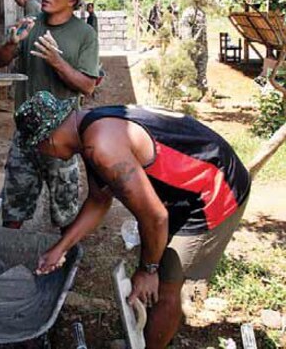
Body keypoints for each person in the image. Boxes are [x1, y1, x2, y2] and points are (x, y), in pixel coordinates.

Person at [14, 91, 251, 349]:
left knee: (167, 282)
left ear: (49, 138)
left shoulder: (102, 147)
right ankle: (152, 335)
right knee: (156, 263)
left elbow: (155, 217)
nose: (45, 154)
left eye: (39, 147)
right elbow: (98, 201)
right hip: (185, 189)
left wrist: (148, 270)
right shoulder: (89, 130)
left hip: (214, 188)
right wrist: (60, 248)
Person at [0, 0, 99, 231]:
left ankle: (65, 255)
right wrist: (11, 44)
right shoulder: (32, 24)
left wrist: (57, 62)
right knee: (13, 207)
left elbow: (87, 86)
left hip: (63, 138)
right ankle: (6, 254)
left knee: (65, 211)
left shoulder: (85, 35)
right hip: (25, 135)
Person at [180, 6, 208, 96]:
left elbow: (203, 32)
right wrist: (191, 47)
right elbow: (186, 34)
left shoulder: (202, 12)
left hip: (202, 48)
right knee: (190, 69)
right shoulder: (188, 12)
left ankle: (201, 90)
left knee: (202, 70)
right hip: (192, 48)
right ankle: (187, 92)